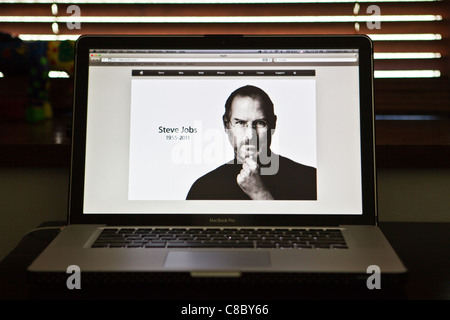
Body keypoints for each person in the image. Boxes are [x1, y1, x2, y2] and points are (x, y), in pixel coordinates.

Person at [186, 85, 316, 200]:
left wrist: (259, 193)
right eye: (240, 123)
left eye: (260, 123)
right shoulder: (203, 189)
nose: (250, 135)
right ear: (226, 125)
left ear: (273, 125)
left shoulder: (309, 180)